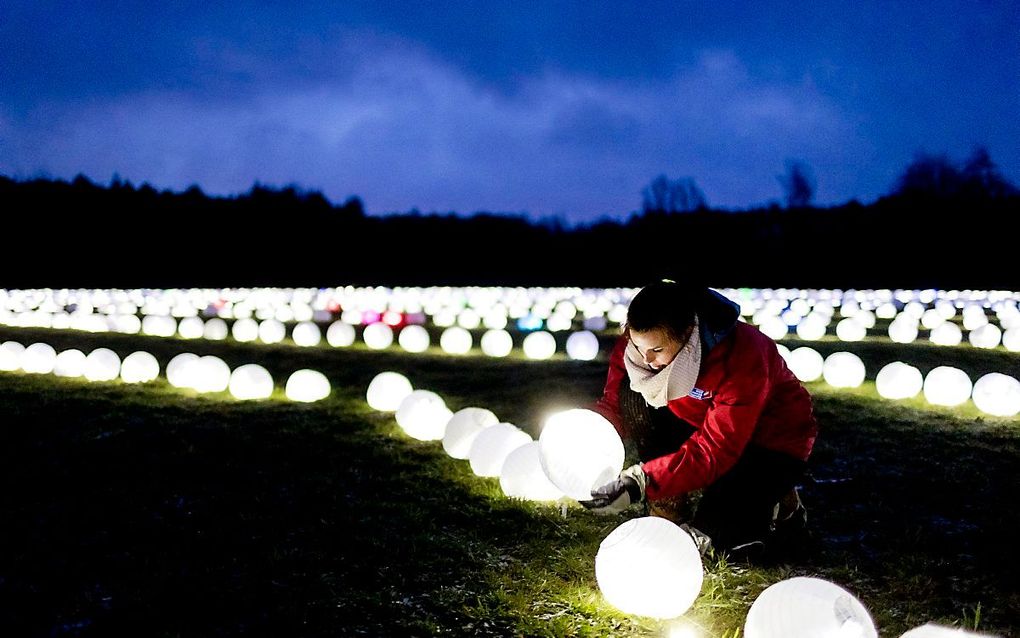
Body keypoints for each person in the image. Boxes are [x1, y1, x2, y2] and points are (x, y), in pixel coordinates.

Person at [581, 280, 818, 559]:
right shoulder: (639, 346)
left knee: (721, 538)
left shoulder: (744, 356)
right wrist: (586, 439)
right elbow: (614, 403)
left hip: (769, 441)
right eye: (636, 345)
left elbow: (717, 449)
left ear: (688, 335)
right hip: (698, 420)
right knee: (632, 395)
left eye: (656, 351)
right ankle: (669, 501)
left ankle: (782, 501)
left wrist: (644, 481)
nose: (645, 359)